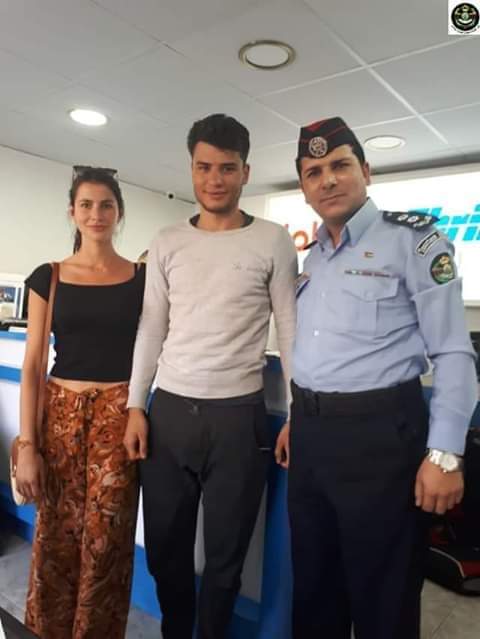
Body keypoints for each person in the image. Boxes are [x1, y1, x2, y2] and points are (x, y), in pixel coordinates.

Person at [274, 117, 478, 639]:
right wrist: (299, 417)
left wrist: (446, 454)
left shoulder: (414, 241)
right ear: (304, 187)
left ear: (365, 171)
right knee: (314, 592)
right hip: (312, 440)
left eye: (339, 165)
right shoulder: (314, 257)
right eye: (313, 172)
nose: (328, 180)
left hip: (381, 441)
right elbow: (318, 355)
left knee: (382, 601)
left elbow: (454, 353)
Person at [123, 113, 297, 639]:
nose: (214, 179)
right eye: (204, 167)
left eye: (226, 168)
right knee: (165, 551)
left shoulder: (273, 240)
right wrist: (136, 406)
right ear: (192, 169)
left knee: (226, 559)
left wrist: (297, 414)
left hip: (238, 419)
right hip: (170, 414)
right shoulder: (167, 241)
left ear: (246, 172)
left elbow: (290, 329)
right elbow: (152, 327)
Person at [16, 166, 146, 639]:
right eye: (86, 205)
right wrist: (27, 445)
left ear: (119, 213)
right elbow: (33, 363)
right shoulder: (48, 277)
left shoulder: (140, 278)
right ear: (72, 211)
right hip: (60, 419)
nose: (96, 214)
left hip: (118, 419)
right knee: (55, 536)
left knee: (107, 542)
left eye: (106, 205)